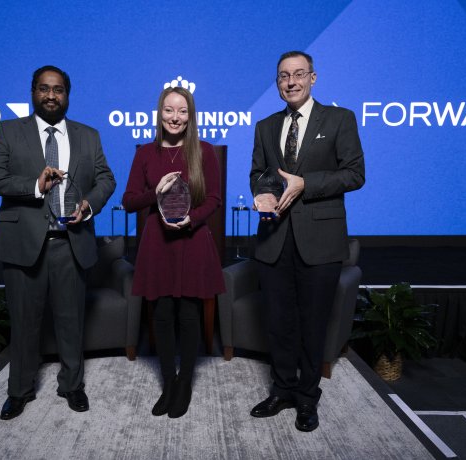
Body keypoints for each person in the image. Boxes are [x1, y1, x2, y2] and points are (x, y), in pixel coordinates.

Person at [0, 65, 116, 420]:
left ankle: (72, 385)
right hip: (24, 245)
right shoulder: (9, 131)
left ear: (68, 95)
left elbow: (105, 179)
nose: (51, 96)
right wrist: (35, 186)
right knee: (24, 323)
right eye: (44, 89)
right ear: (33, 92)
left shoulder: (88, 135)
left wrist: (89, 204)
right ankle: (20, 391)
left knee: (71, 322)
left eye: (58, 90)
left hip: (71, 243)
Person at [249, 51, 365, 432]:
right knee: (279, 323)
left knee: (313, 324)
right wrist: (261, 194)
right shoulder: (265, 126)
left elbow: (354, 174)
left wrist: (306, 184)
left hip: (321, 241)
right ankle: (282, 390)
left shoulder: (340, 119)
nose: (291, 81)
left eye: (299, 74)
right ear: (277, 82)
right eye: (284, 76)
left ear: (313, 78)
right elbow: (258, 173)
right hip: (274, 239)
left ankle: (306, 397)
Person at [122, 87, 225, 418]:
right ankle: (168, 381)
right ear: (160, 112)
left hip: (192, 240)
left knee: (189, 314)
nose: (175, 117)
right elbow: (129, 201)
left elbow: (214, 200)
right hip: (157, 243)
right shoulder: (146, 154)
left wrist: (190, 220)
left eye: (182, 111)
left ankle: (185, 384)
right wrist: (157, 191)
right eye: (169, 110)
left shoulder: (204, 151)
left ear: (190, 115)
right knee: (162, 314)